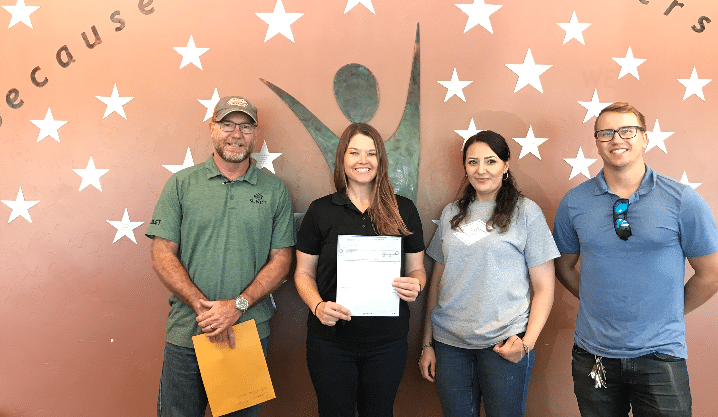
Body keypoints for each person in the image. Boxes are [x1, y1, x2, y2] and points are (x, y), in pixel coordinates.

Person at [553, 102, 718, 417]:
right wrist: (597, 301)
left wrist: (667, 311)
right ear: (596, 142)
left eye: (627, 130)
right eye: (606, 133)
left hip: (660, 355)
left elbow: (713, 275)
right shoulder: (574, 202)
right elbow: (563, 266)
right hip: (593, 356)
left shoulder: (682, 200)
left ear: (645, 138)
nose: (616, 139)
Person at [146, 96, 295, 417]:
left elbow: (282, 259)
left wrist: (236, 306)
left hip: (245, 333)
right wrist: (205, 308)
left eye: (244, 126)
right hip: (188, 330)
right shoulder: (181, 185)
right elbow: (161, 253)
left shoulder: (274, 191)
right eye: (227, 124)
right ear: (212, 128)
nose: (236, 134)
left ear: (255, 134)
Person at [419, 130, 559, 417]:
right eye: (472, 162)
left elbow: (544, 287)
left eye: (490, 161)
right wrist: (427, 343)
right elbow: (437, 282)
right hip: (450, 345)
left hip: (504, 344)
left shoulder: (526, 213)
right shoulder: (451, 213)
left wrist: (526, 344)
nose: (481, 170)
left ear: (506, 165)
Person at [294, 122, 426, 417]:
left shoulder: (403, 209)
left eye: (371, 153)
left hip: (387, 343)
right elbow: (303, 273)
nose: (362, 161)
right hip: (330, 343)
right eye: (354, 153)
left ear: (381, 160)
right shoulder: (320, 210)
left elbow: (418, 269)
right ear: (342, 158)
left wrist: (415, 285)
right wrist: (317, 306)